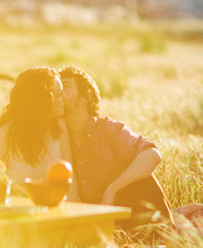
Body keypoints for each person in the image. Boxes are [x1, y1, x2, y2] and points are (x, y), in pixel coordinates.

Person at [59, 65, 174, 230]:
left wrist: (113, 188)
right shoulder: (61, 138)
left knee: (142, 178)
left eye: (66, 87)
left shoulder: (109, 129)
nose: (60, 93)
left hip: (132, 213)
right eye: (57, 89)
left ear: (85, 97)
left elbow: (152, 155)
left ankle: (161, 236)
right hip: (102, 222)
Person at [0, 66, 78, 200]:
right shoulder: (7, 132)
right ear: (43, 100)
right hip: (18, 212)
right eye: (59, 94)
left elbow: (70, 179)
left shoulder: (60, 127)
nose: (65, 98)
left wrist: (75, 215)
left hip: (55, 209)